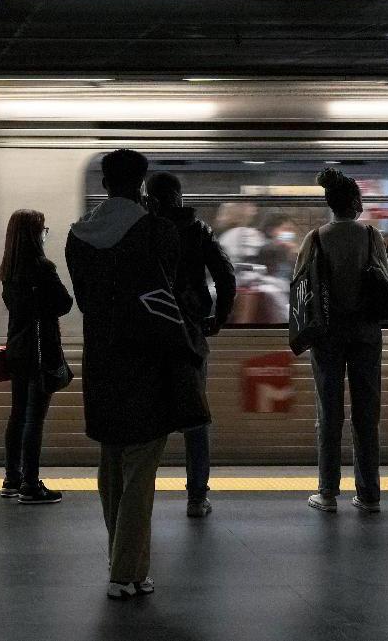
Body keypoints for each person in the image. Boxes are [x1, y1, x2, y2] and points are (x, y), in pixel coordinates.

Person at [65, 150, 209, 600]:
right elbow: (163, 296)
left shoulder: (78, 236)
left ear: (105, 182)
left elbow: (87, 302)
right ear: (142, 183)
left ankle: (119, 562)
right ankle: (126, 572)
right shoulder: (157, 232)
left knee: (111, 468)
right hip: (147, 364)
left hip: (102, 362)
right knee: (139, 473)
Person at [145, 171, 237, 518]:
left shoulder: (143, 232)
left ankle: (142, 495)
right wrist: (219, 318)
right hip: (189, 334)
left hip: (151, 336)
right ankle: (197, 498)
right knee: (195, 418)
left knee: (150, 420)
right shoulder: (198, 231)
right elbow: (226, 276)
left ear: (151, 199)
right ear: (179, 197)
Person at [296, 168, 388, 514]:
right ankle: (369, 495)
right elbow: (383, 281)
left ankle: (328, 493)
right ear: (354, 203)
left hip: (327, 336)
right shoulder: (371, 236)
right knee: (367, 415)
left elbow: (300, 284)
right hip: (365, 335)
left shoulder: (315, 238)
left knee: (329, 413)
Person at [0, 210, 73, 504]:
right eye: (44, 229)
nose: (45, 233)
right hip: (41, 352)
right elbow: (64, 303)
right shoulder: (42, 267)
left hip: (16, 350)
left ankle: (11, 478)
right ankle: (30, 484)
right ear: (34, 234)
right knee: (34, 419)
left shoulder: (8, 270)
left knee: (17, 415)